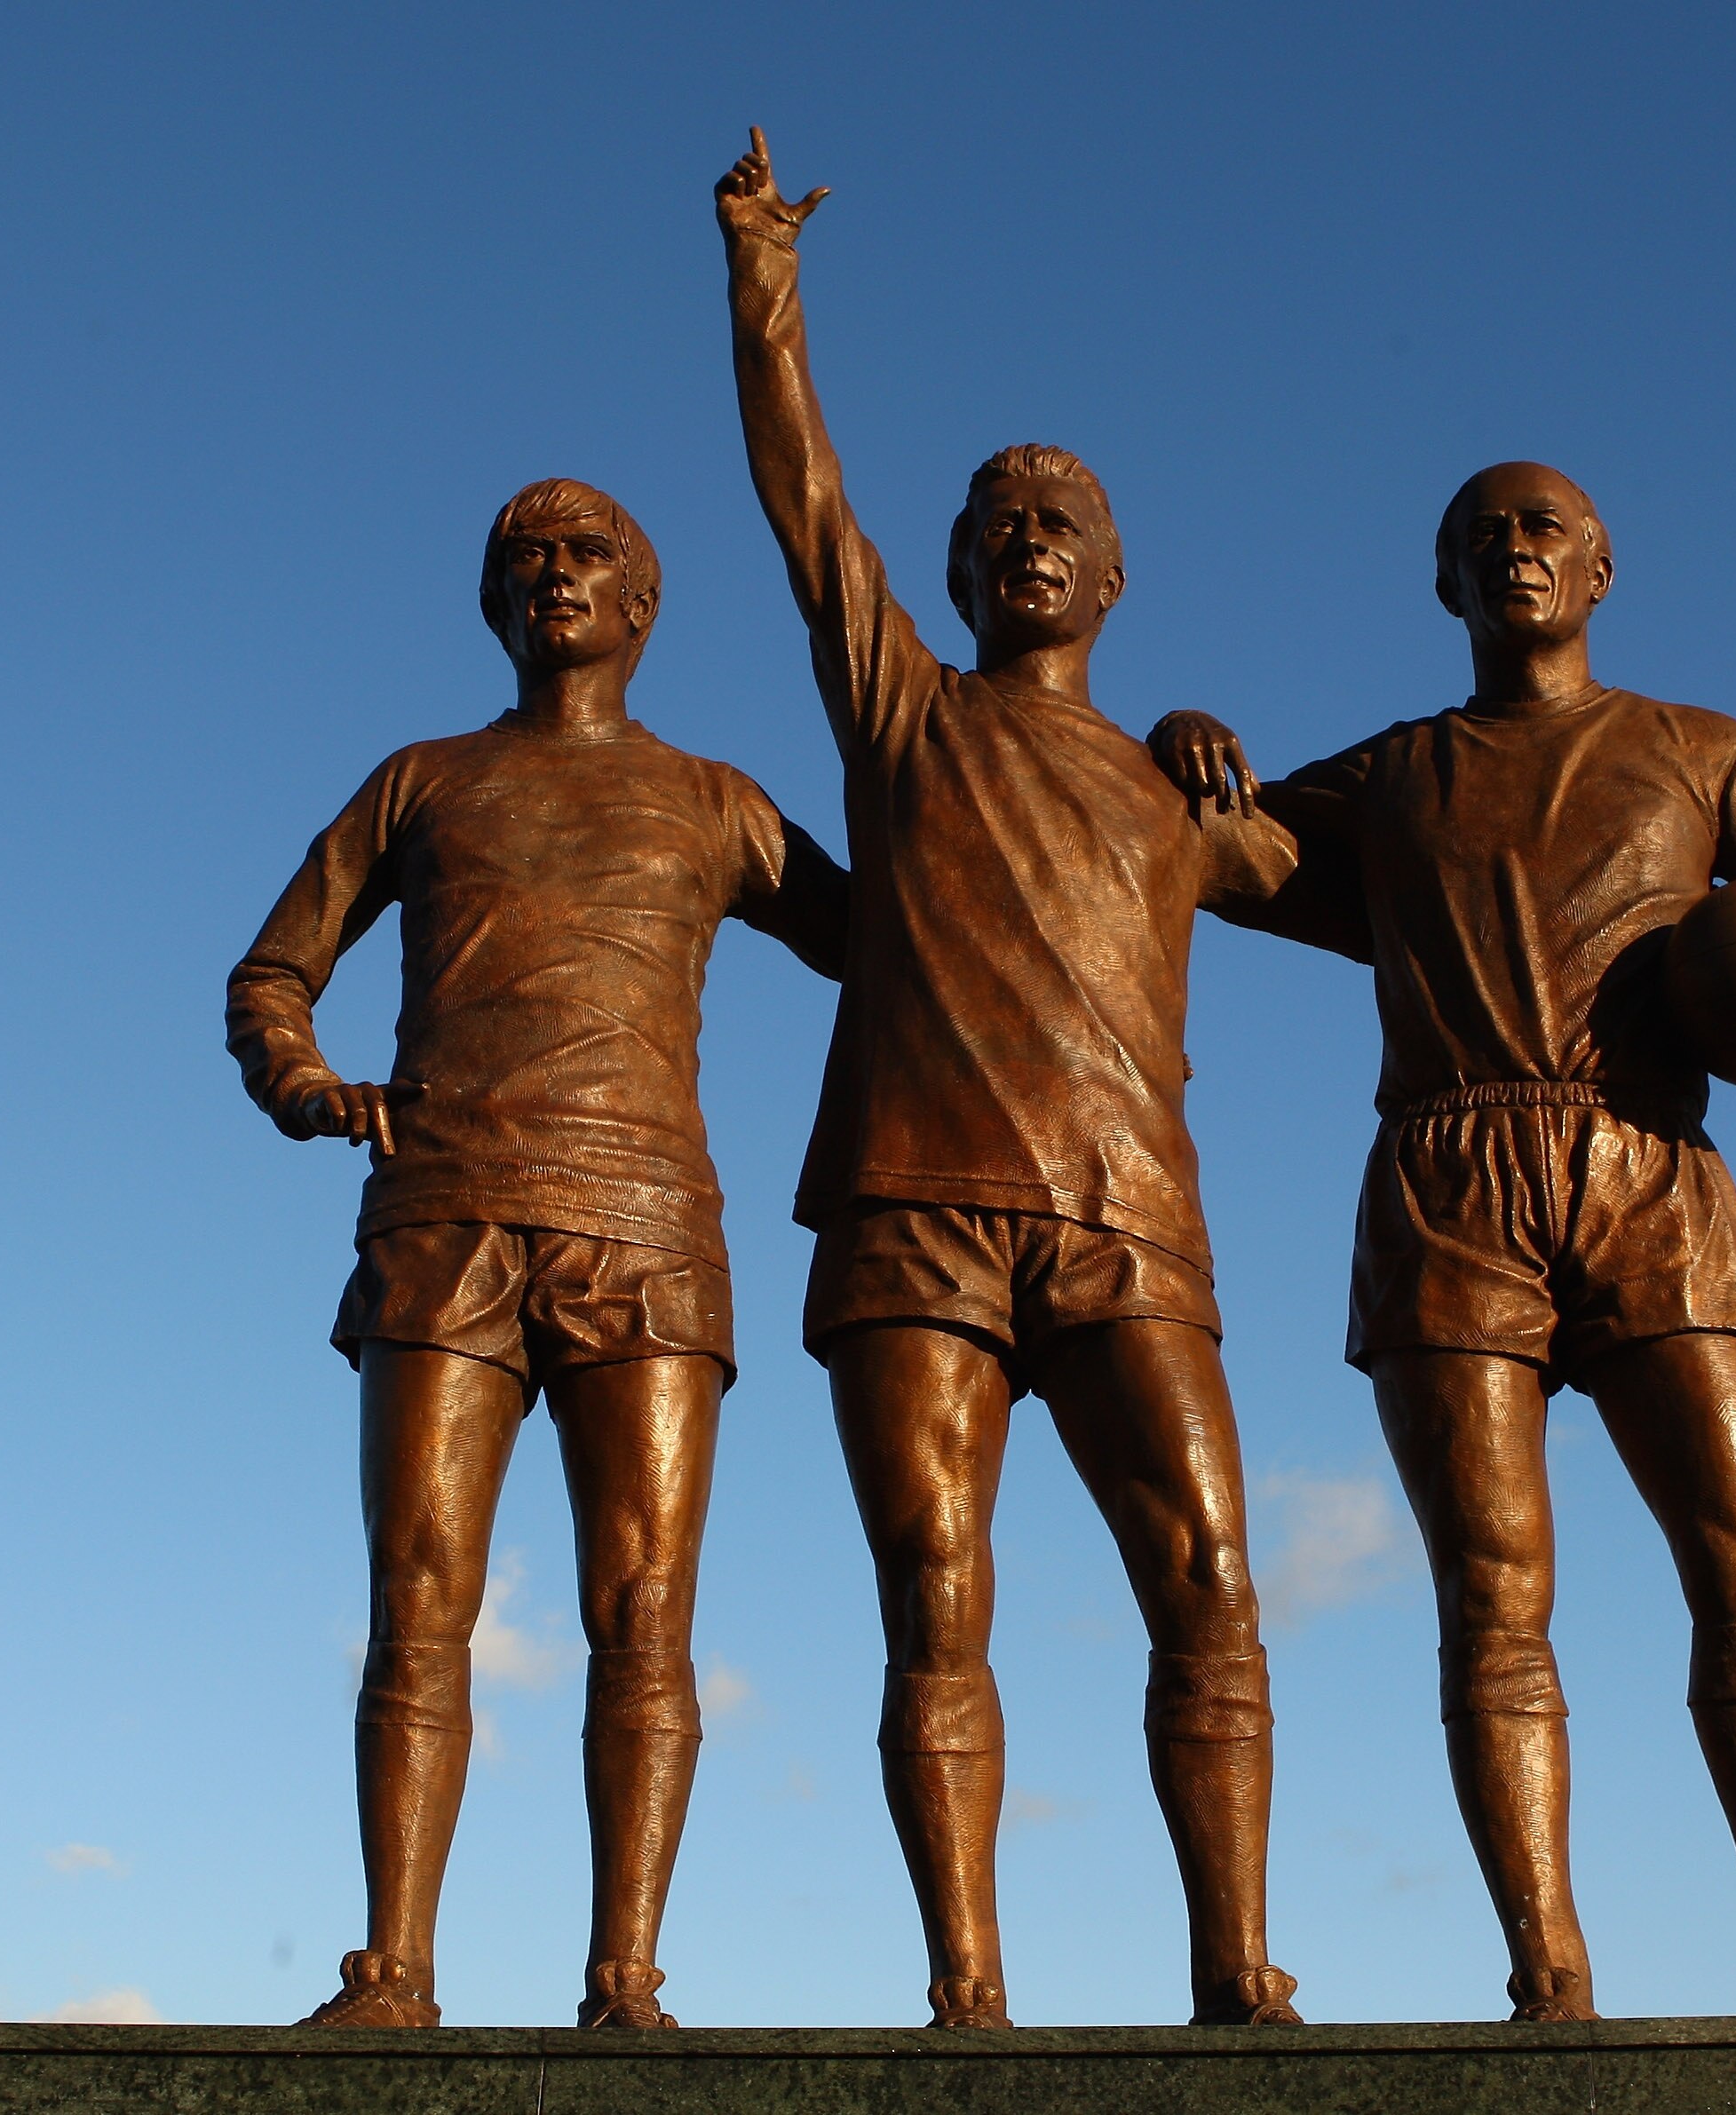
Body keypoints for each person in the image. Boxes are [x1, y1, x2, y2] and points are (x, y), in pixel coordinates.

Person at [1148, 461, 1736, 2020]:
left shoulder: (1704, 751)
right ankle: (1548, 1967)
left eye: (1545, 527)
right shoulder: (1396, 776)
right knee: (1495, 1593)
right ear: (1444, 581)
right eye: (1484, 533)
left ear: (1603, 567)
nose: (1518, 547)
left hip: (1646, 1164)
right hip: (1451, 1182)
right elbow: (1221, 861)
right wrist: (1178, 753)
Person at [714, 130, 1304, 2030]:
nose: (1027, 531)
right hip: (915, 1208)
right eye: (994, 516)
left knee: (1211, 1571)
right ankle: (967, 1986)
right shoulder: (907, 712)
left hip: (1130, 1211)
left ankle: (1235, 1969)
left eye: (1062, 516)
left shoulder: (1183, 792)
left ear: (1117, 575)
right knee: (935, 1586)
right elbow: (808, 511)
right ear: (960, 570)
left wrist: (1213, 761)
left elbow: (1374, 877)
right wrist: (764, 290)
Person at [227, 477, 845, 2030]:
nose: (556, 574)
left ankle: (626, 1975)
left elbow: (906, 925)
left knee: (644, 1605)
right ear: (495, 607)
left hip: (645, 1229)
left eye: (588, 556)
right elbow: (273, 969)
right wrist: (305, 1079)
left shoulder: (718, 800)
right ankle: (394, 1966)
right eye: (526, 560)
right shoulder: (421, 780)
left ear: (641, 607)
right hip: (443, 1218)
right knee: (420, 1591)